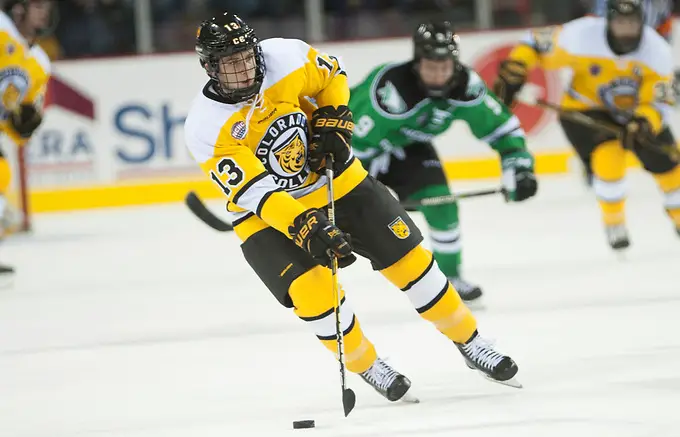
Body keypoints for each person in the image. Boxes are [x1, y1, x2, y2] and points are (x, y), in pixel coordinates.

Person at [184, 12, 521, 404]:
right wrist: (304, 226)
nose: (243, 69)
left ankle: (472, 341)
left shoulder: (287, 57)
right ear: (210, 67)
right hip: (270, 215)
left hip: (339, 180)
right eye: (230, 62)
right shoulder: (206, 127)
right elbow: (259, 194)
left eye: (245, 56)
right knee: (314, 295)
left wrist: (333, 116)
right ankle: (367, 364)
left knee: (412, 261)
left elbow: (333, 76)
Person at [349, 21, 538, 302]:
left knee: (443, 205)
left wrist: (519, 165)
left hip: (408, 148)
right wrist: (356, 191)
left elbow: (501, 128)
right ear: (417, 62)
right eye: (431, 66)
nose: (438, 75)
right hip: (355, 151)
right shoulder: (391, 90)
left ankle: (449, 279)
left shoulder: (466, 86)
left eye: (445, 66)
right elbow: (348, 140)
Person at [493, 0, 680, 250]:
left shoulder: (657, 52)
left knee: (671, 169)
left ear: (642, 23)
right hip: (585, 110)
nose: (626, 30)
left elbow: (660, 102)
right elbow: (534, 42)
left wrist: (644, 123)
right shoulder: (582, 35)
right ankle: (614, 222)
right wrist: (517, 68)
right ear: (608, 21)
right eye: (620, 23)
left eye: (631, 23)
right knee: (608, 160)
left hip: (637, 112)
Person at [0, 0, 53, 280]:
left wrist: (22, 126)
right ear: (17, 9)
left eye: (45, 6)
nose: (43, 12)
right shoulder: (1, 30)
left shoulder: (39, 62)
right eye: (36, 6)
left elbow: (18, 118)